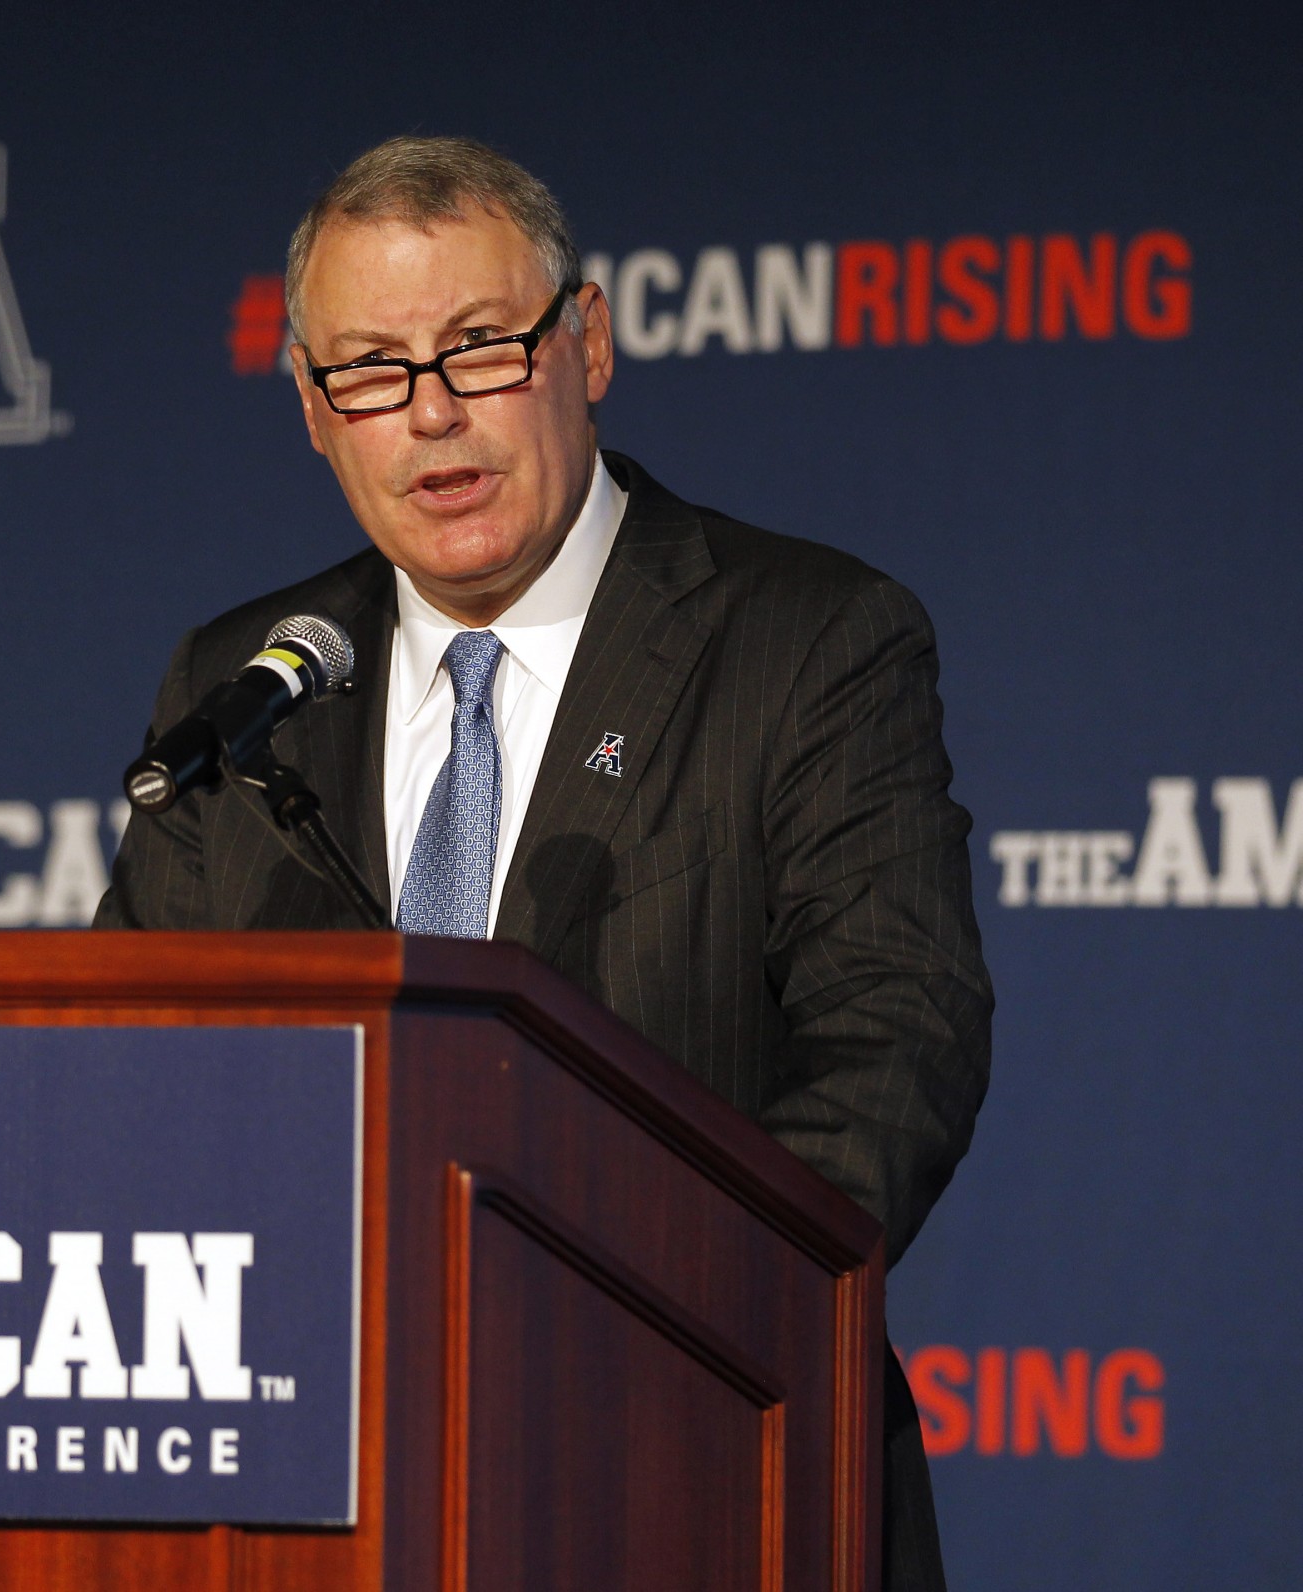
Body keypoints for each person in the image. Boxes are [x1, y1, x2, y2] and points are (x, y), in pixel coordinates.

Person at [95, 135, 991, 1591]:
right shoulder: (243, 685)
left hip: (700, 1462)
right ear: (316, 413)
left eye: (480, 349)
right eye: (373, 371)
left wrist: (659, 1327)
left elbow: (898, 1042)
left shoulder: (806, 639)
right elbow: (132, 1067)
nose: (432, 418)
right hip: (319, 1494)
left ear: (586, 342)